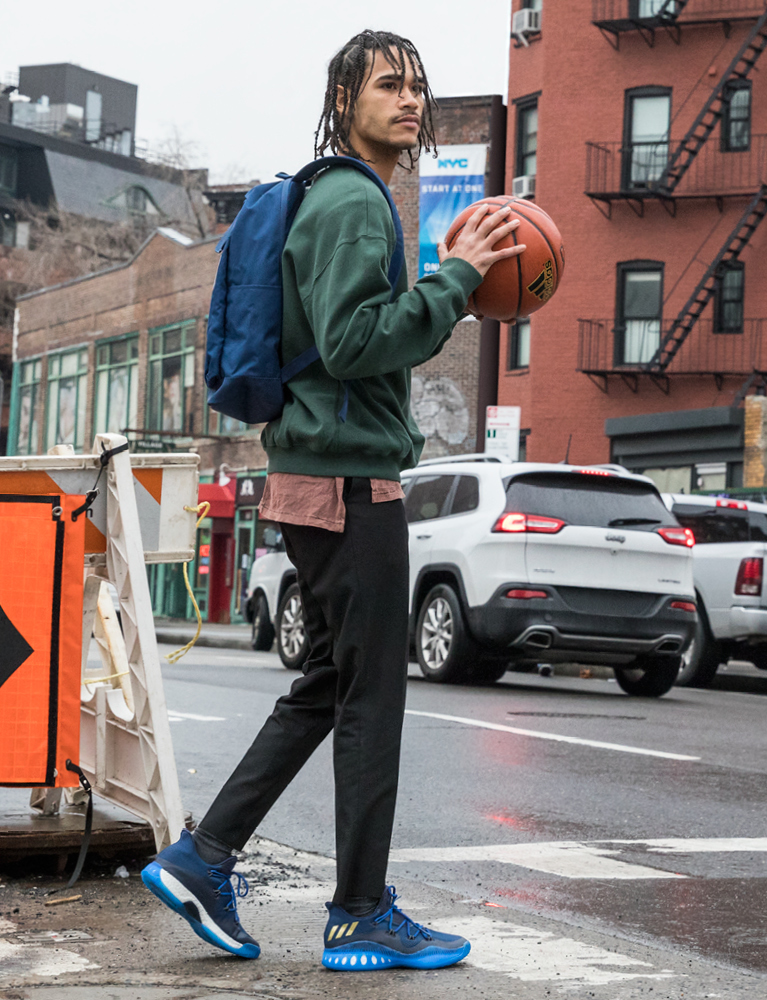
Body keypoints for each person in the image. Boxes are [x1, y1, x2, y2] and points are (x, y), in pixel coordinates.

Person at [139, 29, 524, 972]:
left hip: (318, 479)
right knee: (372, 700)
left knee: (329, 684)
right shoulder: (354, 200)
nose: (410, 101)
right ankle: (357, 914)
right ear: (344, 97)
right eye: (387, 84)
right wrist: (458, 281)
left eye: (418, 87)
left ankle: (203, 857)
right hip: (352, 489)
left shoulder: (338, 193)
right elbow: (356, 344)